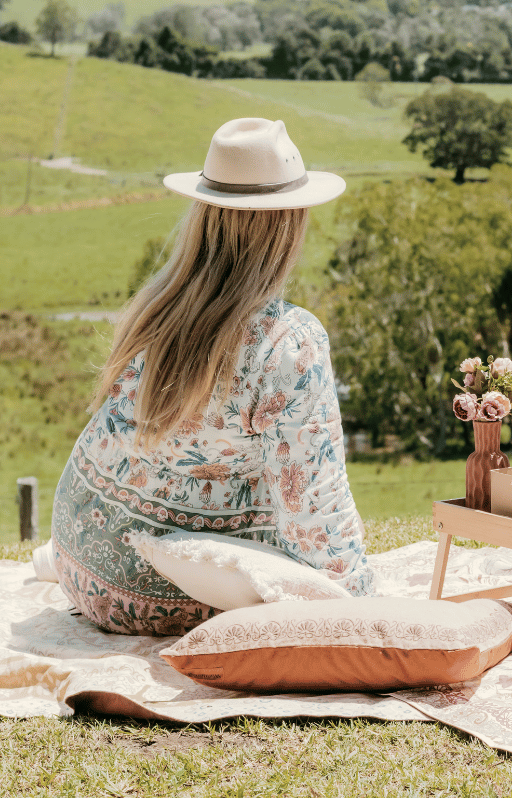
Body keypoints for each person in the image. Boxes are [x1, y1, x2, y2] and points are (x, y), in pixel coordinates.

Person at [52, 117, 374, 636]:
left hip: (83, 562)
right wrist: (361, 603)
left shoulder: (156, 306)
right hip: (161, 593)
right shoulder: (288, 342)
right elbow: (317, 510)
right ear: (289, 225)